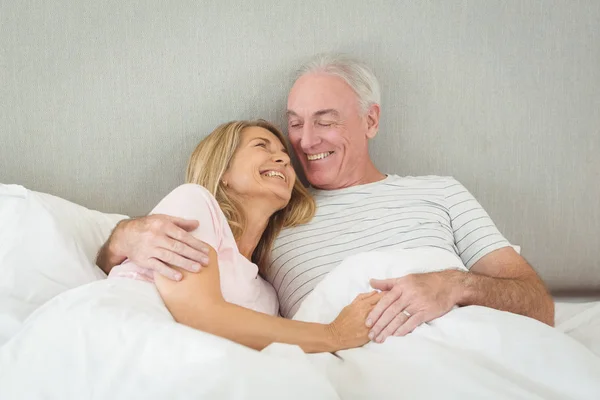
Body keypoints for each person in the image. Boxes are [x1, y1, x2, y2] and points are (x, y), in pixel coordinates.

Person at [97, 54, 554, 345]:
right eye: (294, 123)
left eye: (325, 120)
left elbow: (540, 306)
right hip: (360, 358)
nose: (301, 142)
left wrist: (456, 284)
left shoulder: (441, 192)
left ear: (370, 121)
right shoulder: (283, 217)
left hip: (469, 338)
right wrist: (124, 234)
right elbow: (200, 275)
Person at [106, 119, 381, 353]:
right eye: (261, 145)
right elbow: (199, 313)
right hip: (122, 342)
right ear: (224, 171)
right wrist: (334, 335)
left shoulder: (267, 296)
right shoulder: (193, 204)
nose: (285, 159)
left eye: (285, 155)